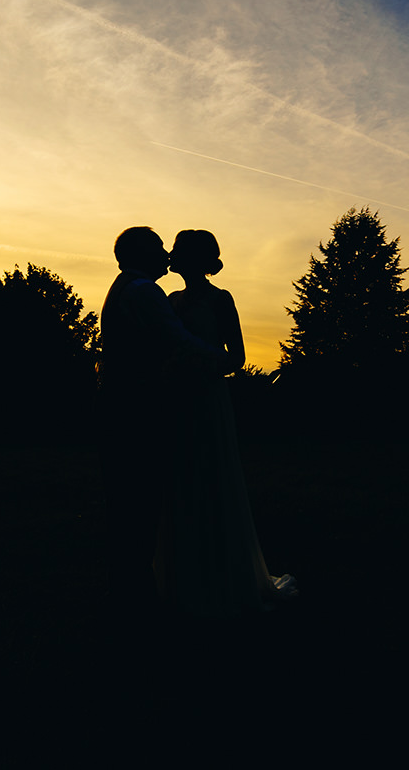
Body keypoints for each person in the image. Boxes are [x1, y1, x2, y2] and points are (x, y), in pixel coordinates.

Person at [155, 229, 297, 616]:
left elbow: (236, 357)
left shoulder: (221, 300)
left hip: (206, 398)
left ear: (196, 259)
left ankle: (225, 577)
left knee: (213, 477)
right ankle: (187, 578)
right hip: (177, 401)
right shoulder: (170, 300)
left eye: (179, 251)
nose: (171, 255)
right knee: (181, 483)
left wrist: (199, 366)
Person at [99, 226, 232, 617]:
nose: (166, 255)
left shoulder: (125, 288)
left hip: (129, 404)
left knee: (133, 501)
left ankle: (134, 590)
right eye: (159, 248)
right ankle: (137, 596)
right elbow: (176, 338)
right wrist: (218, 360)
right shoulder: (146, 292)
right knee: (140, 501)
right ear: (141, 254)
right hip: (139, 408)